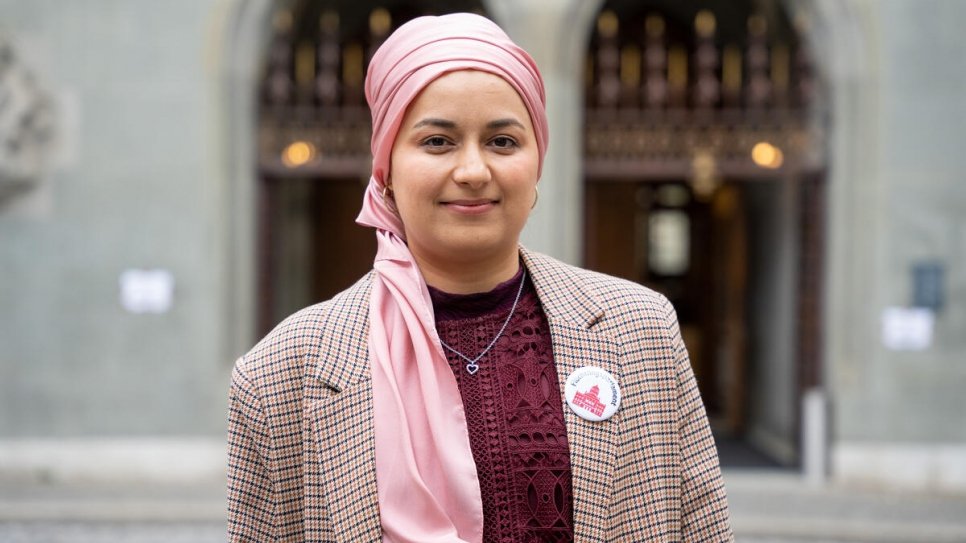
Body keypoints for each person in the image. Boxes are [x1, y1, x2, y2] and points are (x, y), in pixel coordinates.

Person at [227, 12, 733, 543]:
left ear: (537, 162)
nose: (473, 171)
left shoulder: (641, 332)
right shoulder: (283, 373)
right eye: (438, 142)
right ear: (386, 170)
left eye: (502, 142)